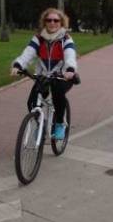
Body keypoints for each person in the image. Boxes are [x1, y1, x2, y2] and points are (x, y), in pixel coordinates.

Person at [10, 8, 78, 140]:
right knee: (32, 102)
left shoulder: (66, 39)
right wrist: (18, 65)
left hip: (63, 76)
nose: (52, 23)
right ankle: (41, 123)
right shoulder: (38, 39)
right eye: (49, 20)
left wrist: (70, 69)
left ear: (61, 23)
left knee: (58, 93)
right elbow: (28, 53)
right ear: (44, 22)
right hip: (44, 76)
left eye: (56, 20)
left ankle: (59, 124)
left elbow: (70, 56)